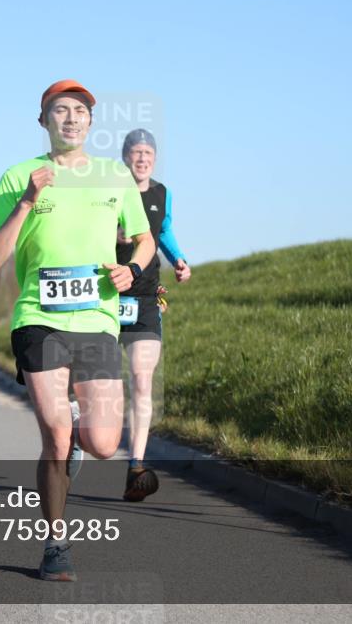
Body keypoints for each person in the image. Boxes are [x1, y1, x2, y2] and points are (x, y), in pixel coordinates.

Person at [0, 79, 155, 581]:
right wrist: (26, 202)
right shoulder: (19, 176)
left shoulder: (114, 175)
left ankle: (79, 432)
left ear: (91, 122)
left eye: (80, 110)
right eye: (61, 110)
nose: (72, 117)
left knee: (102, 443)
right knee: (55, 437)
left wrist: (132, 270)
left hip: (97, 320)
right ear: (44, 121)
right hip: (39, 318)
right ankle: (56, 543)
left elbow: (143, 239)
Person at [115, 129, 191, 502]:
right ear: (125, 157)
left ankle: (136, 466)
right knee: (96, 380)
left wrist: (178, 259)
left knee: (142, 380)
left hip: (145, 298)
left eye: (148, 152)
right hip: (104, 296)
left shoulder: (163, 193)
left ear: (155, 159)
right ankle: (79, 436)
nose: (142, 158)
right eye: (136, 152)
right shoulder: (107, 190)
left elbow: (165, 231)